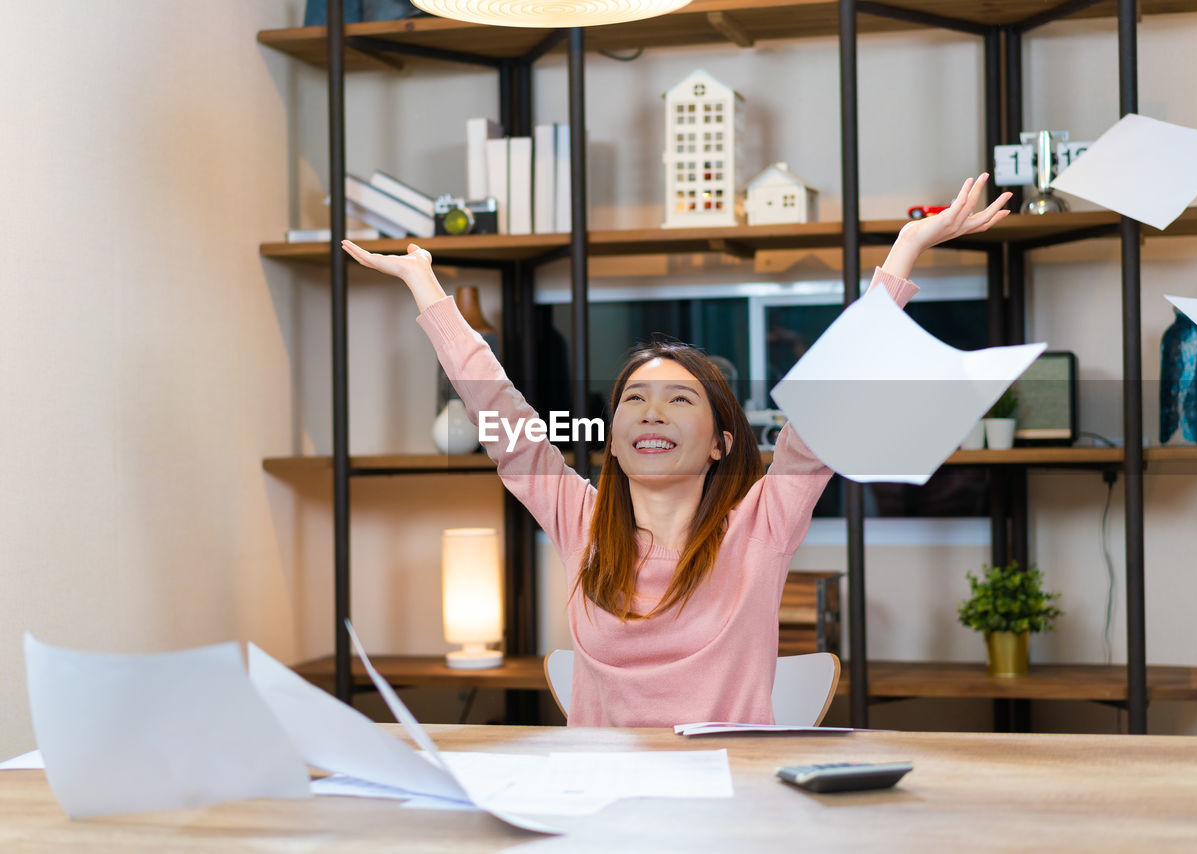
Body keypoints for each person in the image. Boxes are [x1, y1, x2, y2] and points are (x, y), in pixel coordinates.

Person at [343, 175, 1012, 726]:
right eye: (633, 398)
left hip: (730, 802)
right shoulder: (579, 519)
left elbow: (831, 397)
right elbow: (498, 408)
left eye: (679, 399)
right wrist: (425, 286)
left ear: (722, 444)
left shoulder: (761, 526)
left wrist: (905, 251)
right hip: (601, 805)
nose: (650, 411)